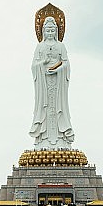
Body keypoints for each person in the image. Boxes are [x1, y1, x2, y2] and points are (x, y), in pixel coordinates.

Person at [29, 16, 75, 148]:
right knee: (45, 108)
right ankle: (43, 138)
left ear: (56, 31)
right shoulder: (40, 47)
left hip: (58, 84)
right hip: (44, 85)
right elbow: (34, 66)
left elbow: (66, 64)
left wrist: (58, 69)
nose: (50, 33)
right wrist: (43, 63)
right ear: (43, 31)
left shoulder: (61, 46)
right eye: (47, 31)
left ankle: (61, 137)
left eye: (52, 31)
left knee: (59, 108)